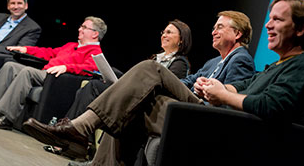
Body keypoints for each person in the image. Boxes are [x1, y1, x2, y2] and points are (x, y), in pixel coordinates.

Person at [23, 10, 256, 165]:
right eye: (214, 27)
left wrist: (212, 87)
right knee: (129, 107)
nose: (213, 31)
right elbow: (186, 82)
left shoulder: (241, 58)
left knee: (149, 68)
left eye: (220, 27)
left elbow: (231, 96)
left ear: (237, 33)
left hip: (204, 110)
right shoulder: (214, 61)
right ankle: (92, 153)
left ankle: (79, 129)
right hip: (189, 103)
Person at [43, 19, 193, 158]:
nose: (164, 35)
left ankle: (73, 136)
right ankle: (76, 137)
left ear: (181, 39)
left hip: (148, 101)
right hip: (137, 95)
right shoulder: (155, 58)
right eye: (163, 32)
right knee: (90, 87)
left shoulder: (180, 62)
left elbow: (166, 89)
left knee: (94, 87)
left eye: (169, 32)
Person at [0, 16, 107, 131]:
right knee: (10, 66)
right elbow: (49, 52)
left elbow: (90, 69)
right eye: (81, 26)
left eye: (84, 27)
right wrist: (26, 49)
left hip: (58, 79)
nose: (79, 29)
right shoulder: (71, 45)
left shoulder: (95, 52)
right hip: (45, 73)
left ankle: (7, 117)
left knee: (26, 72)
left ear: (95, 33)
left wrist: (66, 67)